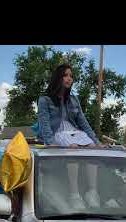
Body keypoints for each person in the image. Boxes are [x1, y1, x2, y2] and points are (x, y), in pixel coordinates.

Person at [37, 64, 104, 209]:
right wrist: (50, 142)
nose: (69, 79)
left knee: (92, 148)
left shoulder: (73, 99)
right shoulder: (45, 99)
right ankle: (74, 194)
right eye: (66, 75)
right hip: (56, 133)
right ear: (58, 78)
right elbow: (44, 123)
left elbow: (83, 122)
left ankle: (92, 192)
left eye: (71, 76)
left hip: (72, 131)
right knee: (72, 148)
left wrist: (97, 141)